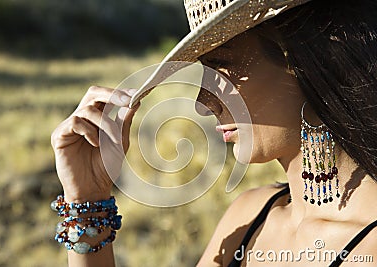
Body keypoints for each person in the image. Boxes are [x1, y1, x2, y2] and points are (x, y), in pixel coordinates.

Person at [50, 0, 377, 266]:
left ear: (302, 62)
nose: (203, 106)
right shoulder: (249, 217)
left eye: (222, 69)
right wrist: (87, 201)